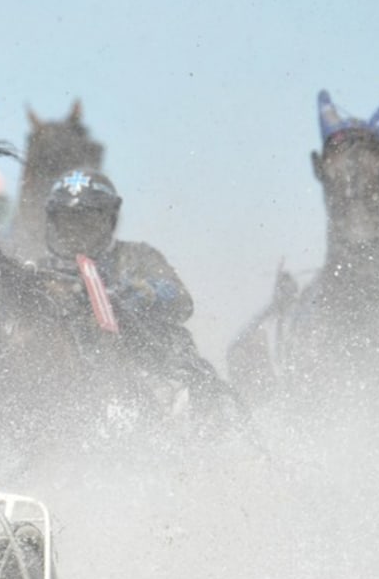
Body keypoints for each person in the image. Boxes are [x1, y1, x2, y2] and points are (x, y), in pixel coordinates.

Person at [40, 168, 235, 418]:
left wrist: (138, 294)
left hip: (153, 370)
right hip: (71, 381)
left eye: (85, 219)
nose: (75, 230)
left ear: (108, 220)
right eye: (67, 220)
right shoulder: (41, 273)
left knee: (187, 401)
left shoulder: (138, 257)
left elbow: (181, 300)